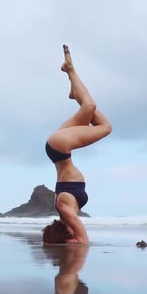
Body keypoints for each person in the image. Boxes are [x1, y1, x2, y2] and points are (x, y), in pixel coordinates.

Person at [43, 45, 112, 244]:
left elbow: (83, 241)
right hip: (58, 148)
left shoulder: (65, 209)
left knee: (101, 121)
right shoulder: (67, 212)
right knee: (90, 110)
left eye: (70, 234)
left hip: (60, 147)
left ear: (65, 233)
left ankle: (70, 69)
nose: (74, 232)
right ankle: (74, 89)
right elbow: (77, 237)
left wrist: (72, 242)